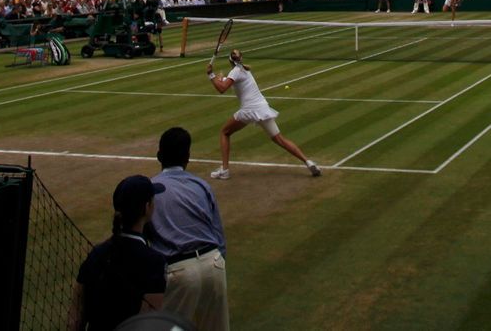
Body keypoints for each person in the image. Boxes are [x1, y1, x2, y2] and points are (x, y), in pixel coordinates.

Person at [150, 127, 229, 331]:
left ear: (159, 156)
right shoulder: (201, 185)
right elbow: (218, 235)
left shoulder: (150, 189)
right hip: (214, 264)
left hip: (179, 270)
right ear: (188, 157)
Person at [68, 174, 166, 331]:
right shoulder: (153, 262)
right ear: (147, 207)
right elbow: (148, 323)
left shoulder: (96, 254)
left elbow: (75, 320)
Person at [207, 48, 320, 179]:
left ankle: (225, 170)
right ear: (240, 58)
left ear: (229, 60)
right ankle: (308, 162)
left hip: (249, 110)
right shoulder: (244, 70)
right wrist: (219, 78)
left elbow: (221, 88)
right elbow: (227, 81)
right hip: (262, 108)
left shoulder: (236, 71)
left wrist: (211, 75)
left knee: (225, 132)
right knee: (280, 139)